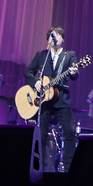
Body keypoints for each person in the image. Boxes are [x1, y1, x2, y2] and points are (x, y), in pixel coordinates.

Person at [25, 26, 80, 172]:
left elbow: (74, 76)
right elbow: (28, 73)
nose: (54, 38)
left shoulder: (69, 55)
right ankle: (40, 170)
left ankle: (68, 170)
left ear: (63, 39)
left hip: (62, 100)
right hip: (44, 102)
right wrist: (36, 82)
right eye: (52, 35)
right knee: (41, 136)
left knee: (69, 132)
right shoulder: (42, 55)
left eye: (57, 35)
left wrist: (73, 73)